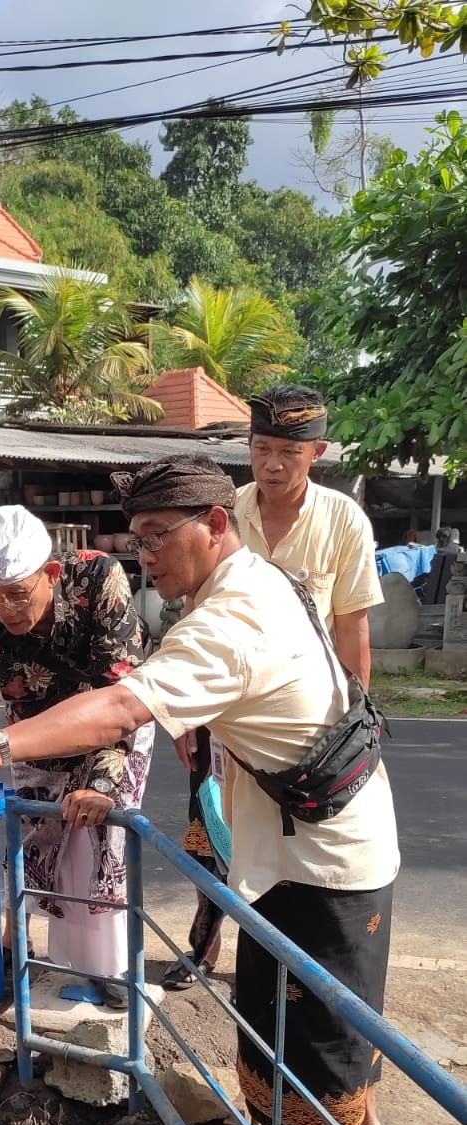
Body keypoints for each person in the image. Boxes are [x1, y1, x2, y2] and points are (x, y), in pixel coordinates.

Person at [0, 458, 400, 1125]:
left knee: (305, 1011)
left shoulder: (220, 619)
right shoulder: (247, 582)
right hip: (305, 825)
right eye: (138, 538)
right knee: (329, 998)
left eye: (161, 537)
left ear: (217, 525)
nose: (147, 554)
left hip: (320, 851)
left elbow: (124, 703)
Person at [163, 386, 384, 1026]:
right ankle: (205, 946)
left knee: (302, 845)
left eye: (290, 451)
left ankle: (297, 964)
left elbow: (353, 631)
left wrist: (352, 729)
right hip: (226, 709)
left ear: (316, 451)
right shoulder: (223, 512)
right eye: (262, 448)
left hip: (304, 725)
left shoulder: (343, 521)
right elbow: (194, 608)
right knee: (212, 829)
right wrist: (188, 714)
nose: (274, 464)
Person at [0, 505, 155, 1007]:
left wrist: (102, 786)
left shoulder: (96, 580)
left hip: (114, 728)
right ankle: (63, 970)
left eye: (17, 593)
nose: (5, 609)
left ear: (51, 574)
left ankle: (114, 973)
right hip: (34, 742)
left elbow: (120, 698)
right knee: (47, 857)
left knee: (98, 845)